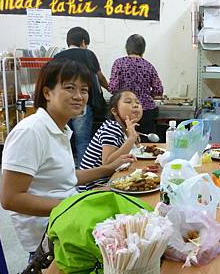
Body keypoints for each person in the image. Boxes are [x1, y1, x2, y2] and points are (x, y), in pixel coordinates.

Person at [0, 58, 134, 255]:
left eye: (84, 90)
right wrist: (77, 204)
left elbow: (66, 177)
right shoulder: (31, 131)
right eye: (70, 88)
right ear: (47, 93)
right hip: (50, 235)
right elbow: (10, 199)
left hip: (68, 218)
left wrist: (107, 170)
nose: (79, 96)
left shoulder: (60, 129)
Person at [54, 26, 108, 166]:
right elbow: (99, 76)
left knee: (63, 140)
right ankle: (85, 171)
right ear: (83, 41)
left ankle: (65, 169)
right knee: (83, 140)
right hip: (81, 105)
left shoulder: (57, 57)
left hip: (62, 105)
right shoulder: (88, 55)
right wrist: (110, 88)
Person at [80, 89, 143, 190]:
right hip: (93, 186)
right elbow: (108, 163)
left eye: (138, 102)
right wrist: (131, 139)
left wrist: (132, 138)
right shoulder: (112, 128)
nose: (136, 105)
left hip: (108, 179)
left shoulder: (125, 127)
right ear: (114, 111)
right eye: (128, 102)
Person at [108, 34, 163, 138]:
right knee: (145, 143)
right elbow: (158, 90)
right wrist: (146, 94)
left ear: (127, 48)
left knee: (122, 141)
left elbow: (113, 88)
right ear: (143, 49)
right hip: (145, 111)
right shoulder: (148, 66)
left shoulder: (119, 63)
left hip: (123, 111)